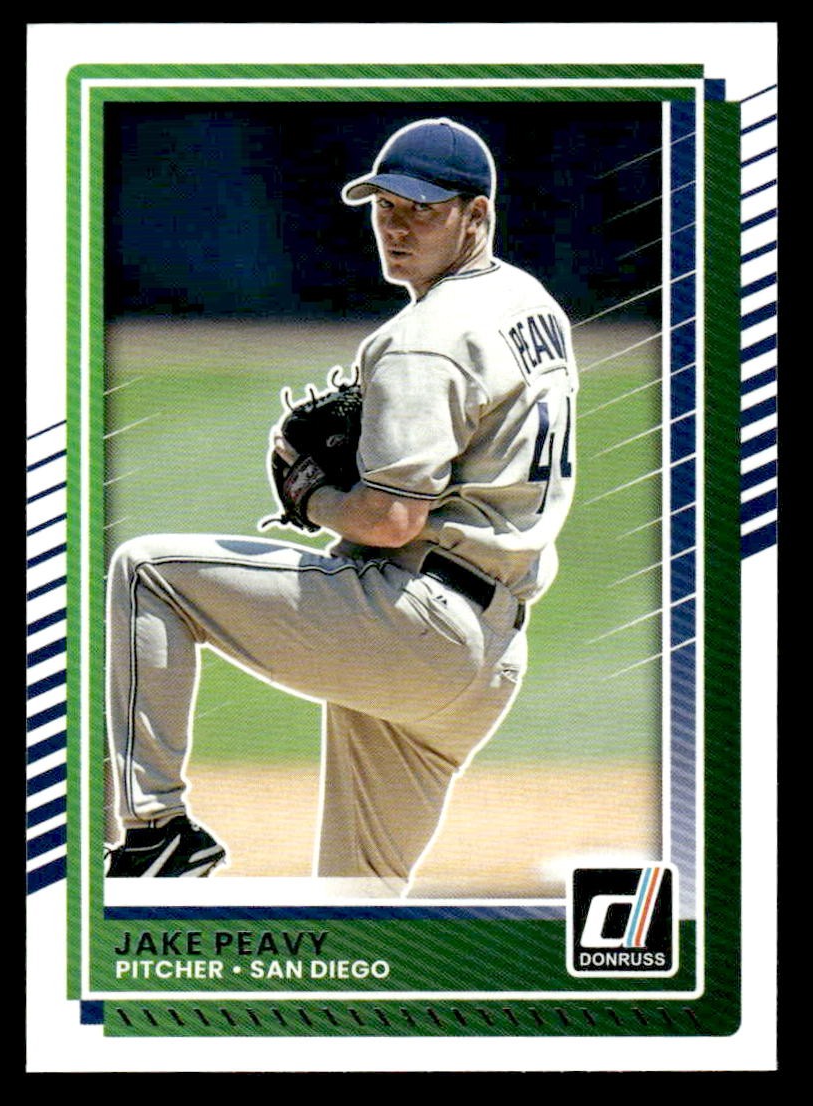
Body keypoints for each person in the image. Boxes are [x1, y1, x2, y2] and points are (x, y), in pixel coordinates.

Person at [104, 118, 578, 895]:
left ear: (477, 214)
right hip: (489, 656)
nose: (397, 227)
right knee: (355, 901)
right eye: (385, 207)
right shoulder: (532, 304)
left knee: (146, 572)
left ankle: (156, 830)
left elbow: (390, 521)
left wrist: (313, 493)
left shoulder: (423, 336)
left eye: (423, 209)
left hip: (413, 625)